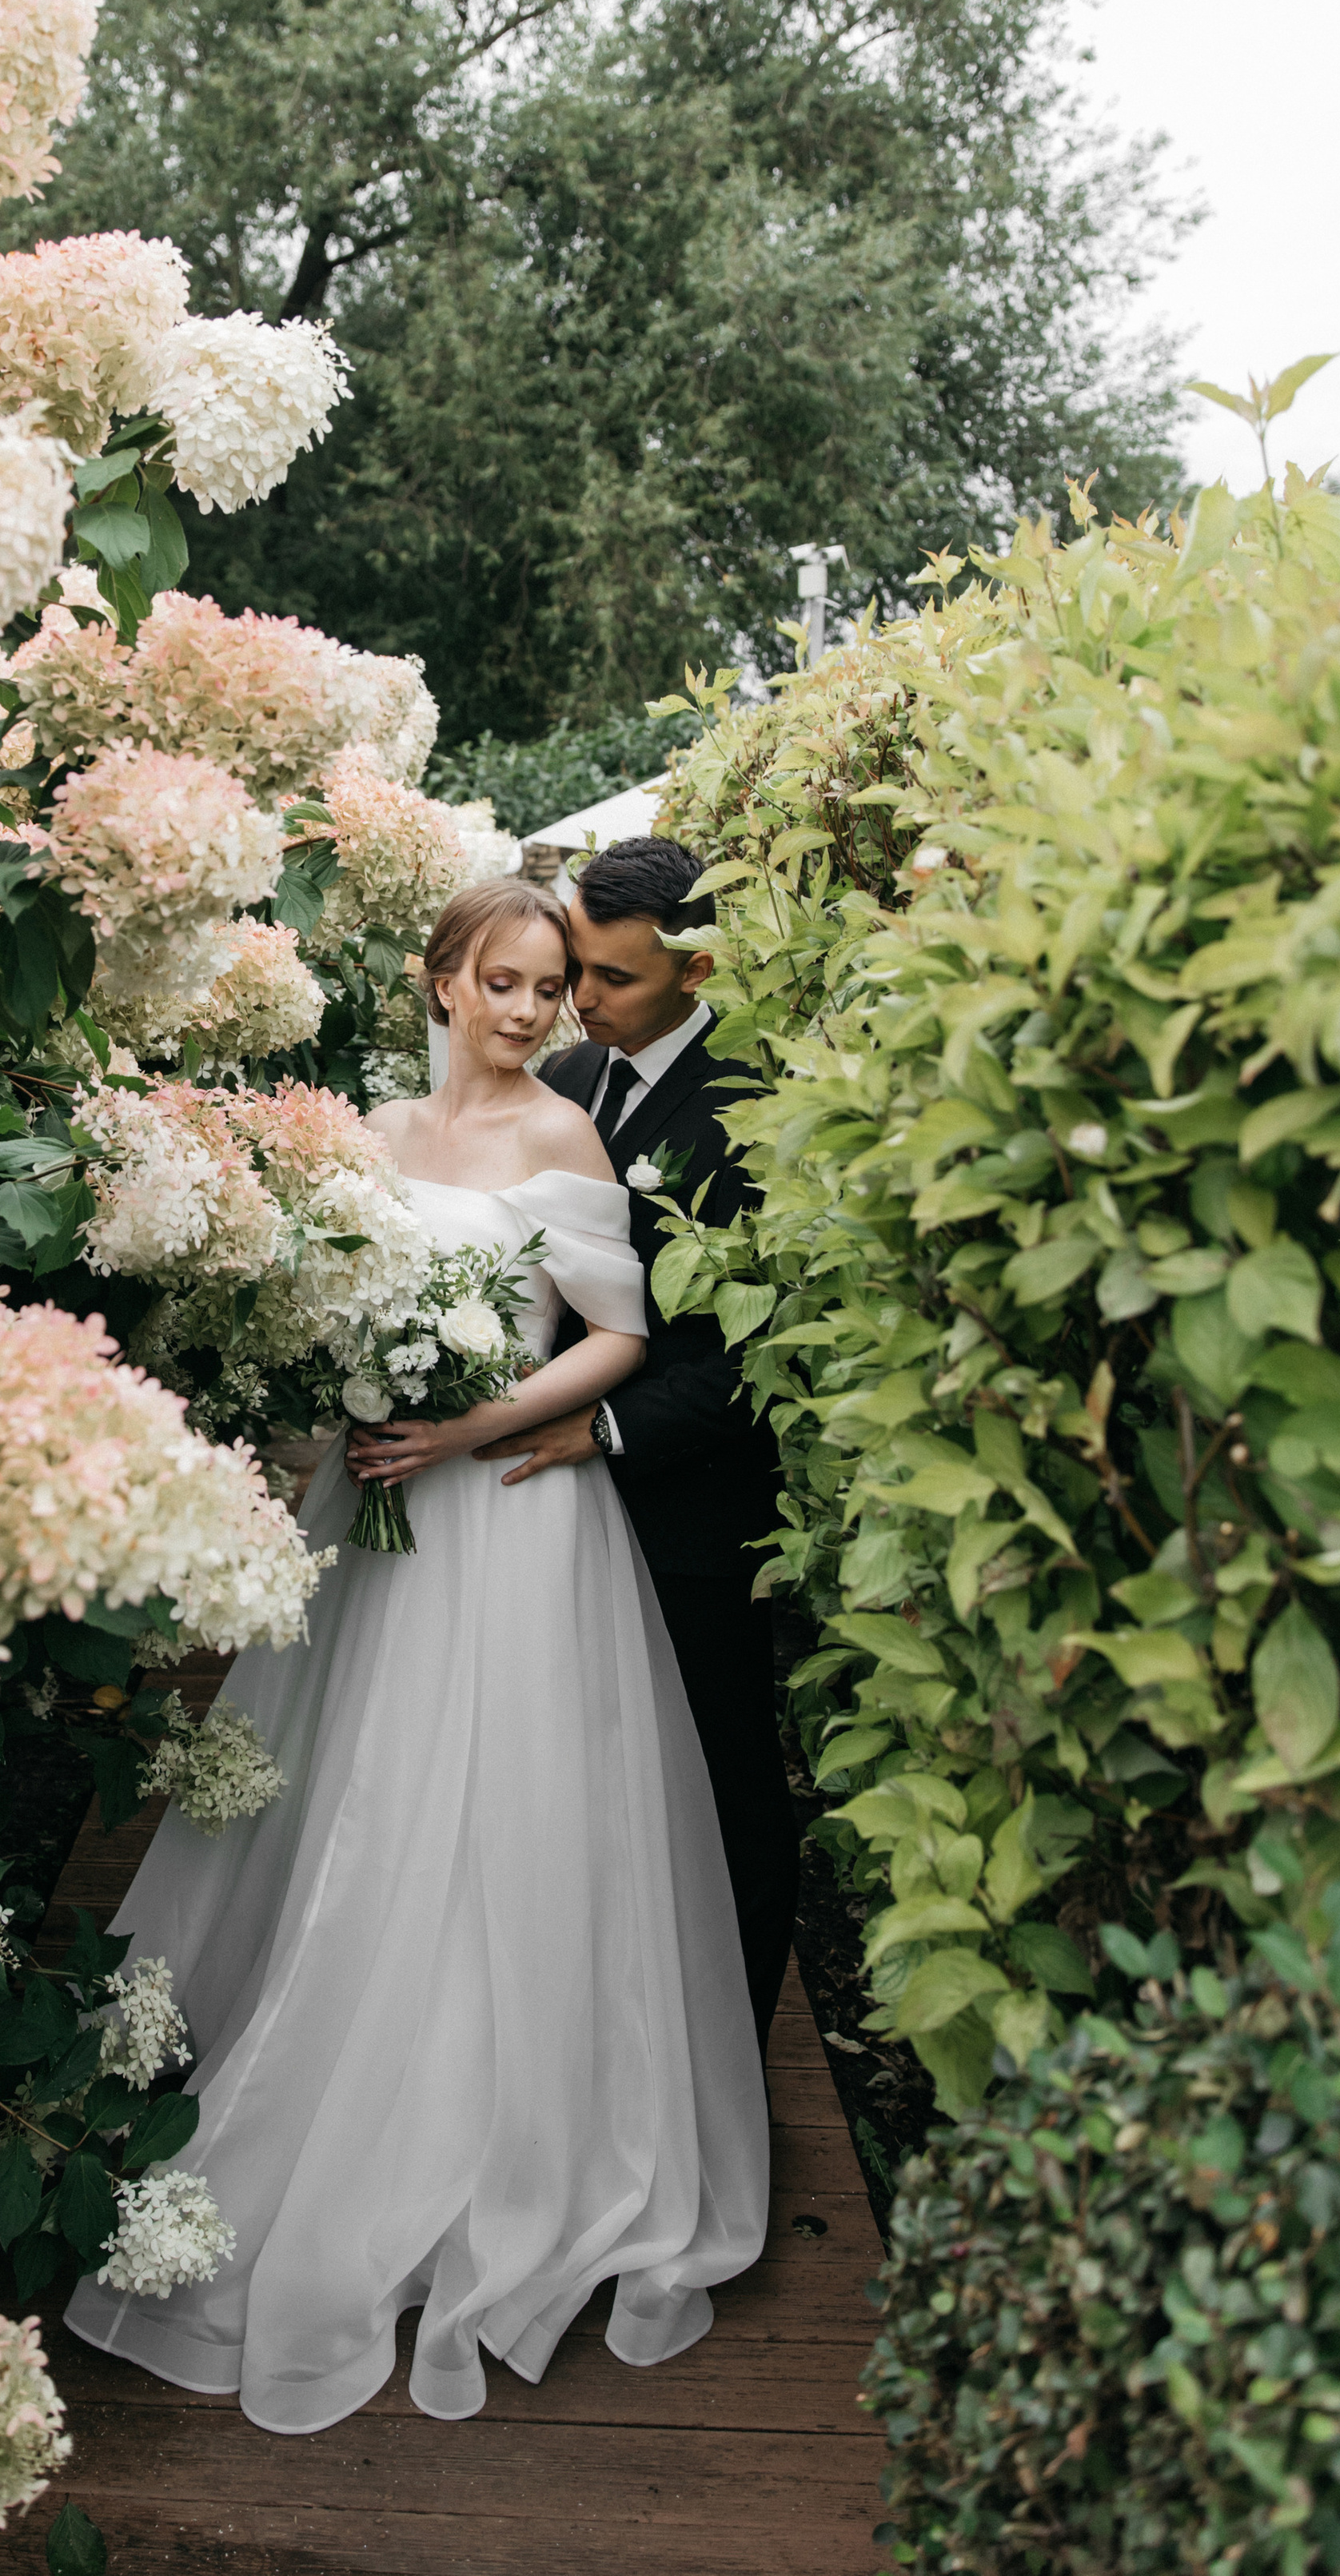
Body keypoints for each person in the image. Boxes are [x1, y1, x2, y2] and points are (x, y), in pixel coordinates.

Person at [65, 876, 768, 2435]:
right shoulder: (370, 1132)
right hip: (370, 1504)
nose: (529, 1013)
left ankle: (495, 2142)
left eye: (548, 991)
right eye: (500, 984)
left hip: (507, 1520)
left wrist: (472, 1420)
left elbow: (617, 1334)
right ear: (435, 978)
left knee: (492, 1808)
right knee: (349, 1794)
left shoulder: (561, 1136)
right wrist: (339, 1390)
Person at [477, 835, 800, 2043]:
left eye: (611, 978)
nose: (582, 997)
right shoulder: (565, 1074)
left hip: (688, 1517)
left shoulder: (756, 1106)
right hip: (546, 1508)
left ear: (696, 961)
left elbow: (764, 1350)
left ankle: (731, 2058)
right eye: (577, 969)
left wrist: (601, 1424)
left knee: (724, 1796)